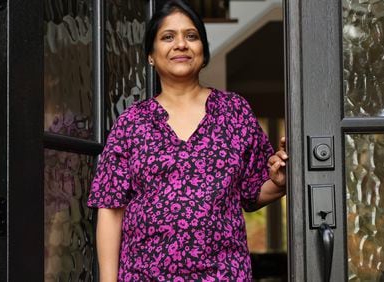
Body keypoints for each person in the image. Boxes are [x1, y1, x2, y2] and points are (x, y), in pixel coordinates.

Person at [87, 0, 288, 280]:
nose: (181, 44)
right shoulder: (131, 123)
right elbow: (110, 209)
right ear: (150, 56)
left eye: (191, 36)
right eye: (168, 37)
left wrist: (279, 183)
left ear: (203, 52)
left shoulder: (234, 111)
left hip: (223, 275)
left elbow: (252, 193)